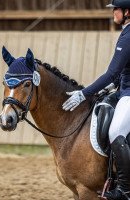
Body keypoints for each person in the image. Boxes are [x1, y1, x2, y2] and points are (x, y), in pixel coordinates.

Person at [62, 0, 130, 199]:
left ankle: (125, 190)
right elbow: (120, 73)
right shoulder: (126, 33)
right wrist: (110, 87)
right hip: (123, 90)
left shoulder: (128, 36)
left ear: (127, 12)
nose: (113, 13)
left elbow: (111, 73)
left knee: (116, 131)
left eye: (116, 9)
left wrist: (84, 93)